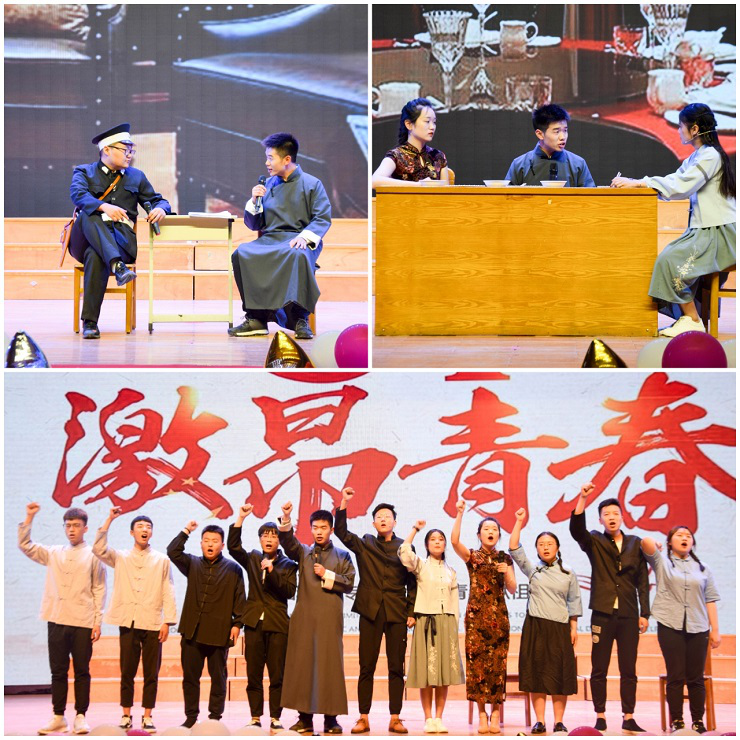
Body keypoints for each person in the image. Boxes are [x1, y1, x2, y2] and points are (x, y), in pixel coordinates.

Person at [611, 103, 736, 337]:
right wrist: (638, 183)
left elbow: (680, 186)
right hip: (704, 230)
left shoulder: (710, 156)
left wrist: (640, 182)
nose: (679, 131)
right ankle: (689, 318)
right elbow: (675, 179)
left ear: (695, 129)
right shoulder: (699, 156)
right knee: (669, 259)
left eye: (681, 126)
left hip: (718, 232)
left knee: (669, 262)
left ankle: (692, 319)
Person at [69, 122, 170, 339]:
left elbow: (158, 200)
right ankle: (117, 266)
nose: (129, 155)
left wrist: (161, 209)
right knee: (88, 212)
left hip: (121, 242)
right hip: (84, 238)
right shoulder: (84, 171)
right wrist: (103, 206)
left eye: (132, 150)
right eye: (125, 150)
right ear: (106, 149)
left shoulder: (136, 176)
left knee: (95, 255)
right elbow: (78, 195)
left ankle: (90, 323)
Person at [229, 132, 331, 340]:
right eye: (266, 157)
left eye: (270, 158)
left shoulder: (312, 184)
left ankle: (300, 319)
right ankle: (256, 318)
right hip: (271, 238)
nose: (266, 163)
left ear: (286, 159)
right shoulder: (267, 185)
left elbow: (322, 217)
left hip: (299, 238)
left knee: (297, 254)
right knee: (242, 253)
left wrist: (304, 237)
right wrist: (254, 200)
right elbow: (254, 224)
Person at [334, 487, 417, 735]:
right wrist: (344, 502)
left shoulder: (405, 547)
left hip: (396, 612)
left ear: (394, 522)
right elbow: (341, 532)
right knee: (366, 666)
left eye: (387, 516)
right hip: (370, 611)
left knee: (396, 667)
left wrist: (411, 611)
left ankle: (395, 717)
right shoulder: (366, 543)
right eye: (379, 517)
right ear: (373, 523)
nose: (383, 519)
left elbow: (413, 582)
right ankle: (363, 717)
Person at [18, 503, 106, 736]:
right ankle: (58, 716)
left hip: (83, 620)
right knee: (58, 671)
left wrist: (97, 621)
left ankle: (80, 716)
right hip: (56, 618)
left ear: (85, 528)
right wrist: (29, 517)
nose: (71, 530)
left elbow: (99, 589)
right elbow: (26, 545)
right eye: (68, 526)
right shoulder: (54, 552)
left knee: (81, 671)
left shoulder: (94, 555)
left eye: (76, 526)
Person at [570, 483, 650, 734]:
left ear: (622, 517)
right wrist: (582, 498)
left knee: (629, 668)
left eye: (615, 513)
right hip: (602, 613)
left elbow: (642, 581)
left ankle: (629, 716)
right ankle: (600, 715)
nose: (611, 517)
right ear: (600, 520)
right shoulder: (595, 540)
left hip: (628, 614)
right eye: (606, 514)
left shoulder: (635, 543)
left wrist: (645, 613)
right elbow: (576, 530)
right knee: (599, 667)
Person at [93, 507, 177, 734]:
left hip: (152, 622)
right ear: (132, 532)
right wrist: (109, 519)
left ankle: (148, 716)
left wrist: (168, 621)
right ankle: (126, 714)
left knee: (151, 672)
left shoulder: (161, 560)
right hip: (128, 621)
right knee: (127, 671)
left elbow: (168, 589)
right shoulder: (121, 557)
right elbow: (98, 549)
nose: (144, 529)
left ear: (152, 533)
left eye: (148, 527)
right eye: (140, 526)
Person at [277, 502, 356, 735]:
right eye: (315, 527)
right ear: (310, 529)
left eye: (323, 527)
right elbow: (287, 542)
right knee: (303, 666)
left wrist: (327, 574)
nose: (319, 532)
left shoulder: (343, 555)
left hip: (329, 618)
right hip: (304, 618)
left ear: (331, 529)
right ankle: (304, 718)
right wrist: (286, 516)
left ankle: (331, 719)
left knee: (329, 666)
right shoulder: (304, 552)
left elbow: (349, 582)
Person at [508, 507, 582, 735]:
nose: (546, 547)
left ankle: (559, 722)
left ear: (557, 548)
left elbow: (574, 600)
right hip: (536, 627)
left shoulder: (568, 572)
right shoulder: (533, 570)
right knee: (536, 674)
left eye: (550, 544)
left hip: (560, 628)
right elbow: (514, 548)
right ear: (537, 549)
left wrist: (573, 627)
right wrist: (518, 521)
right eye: (541, 544)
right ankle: (539, 721)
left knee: (560, 675)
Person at [641, 526, 721, 734]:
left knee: (696, 677)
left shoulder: (703, 568)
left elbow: (710, 599)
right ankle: (677, 720)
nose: (684, 538)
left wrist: (715, 630)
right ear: (670, 542)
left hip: (698, 626)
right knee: (675, 674)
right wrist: (655, 543)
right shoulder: (663, 562)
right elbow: (645, 543)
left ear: (692, 542)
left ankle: (698, 721)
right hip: (670, 625)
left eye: (688, 536)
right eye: (679, 535)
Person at [167, 522, 247, 729]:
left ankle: (214, 717)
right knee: (190, 678)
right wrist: (186, 531)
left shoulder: (233, 569)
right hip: (192, 632)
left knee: (218, 678)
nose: (210, 544)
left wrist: (237, 624)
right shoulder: (192, 563)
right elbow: (173, 551)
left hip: (219, 633)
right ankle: (191, 716)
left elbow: (240, 598)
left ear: (222, 545)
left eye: (215, 541)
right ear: (201, 543)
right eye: (206, 541)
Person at [227, 504, 298, 732]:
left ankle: (276, 716)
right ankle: (255, 716)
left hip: (278, 624)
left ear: (279, 541)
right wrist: (240, 518)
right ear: (259, 540)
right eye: (265, 536)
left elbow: (289, 591)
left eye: (274, 536)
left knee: (277, 674)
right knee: (254, 674)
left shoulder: (289, 565)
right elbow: (233, 547)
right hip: (254, 623)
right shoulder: (253, 558)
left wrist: (272, 571)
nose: (269, 539)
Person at [451, 500, 516, 735]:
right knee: (477, 665)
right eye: (486, 529)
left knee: (498, 666)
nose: (491, 532)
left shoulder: (504, 558)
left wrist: (506, 574)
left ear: (498, 535)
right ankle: (481, 713)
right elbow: (454, 542)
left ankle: (495, 713)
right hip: (476, 618)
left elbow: (512, 588)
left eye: (494, 529)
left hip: (499, 618)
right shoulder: (473, 556)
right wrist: (459, 513)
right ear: (479, 534)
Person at [399, 521, 464, 734]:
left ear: (445, 545)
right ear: (427, 545)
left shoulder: (451, 571)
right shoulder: (421, 565)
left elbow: (455, 602)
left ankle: (439, 717)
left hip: (446, 623)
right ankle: (428, 718)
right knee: (427, 674)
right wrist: (415, 530)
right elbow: (404, 552)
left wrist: (454, 626)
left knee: (443, 674)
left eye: (441, 540)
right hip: (426, 622)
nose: (437, 542)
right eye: (433, 540)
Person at [505, 104, 595, 187]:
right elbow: (506, 197)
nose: (563, 137)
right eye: (557, 131)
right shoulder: (520, 164)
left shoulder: (578, 164)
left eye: (565, 130)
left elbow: (591, 197)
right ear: (540, 134)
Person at [371, 98, 449, 187]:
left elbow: (447, 192)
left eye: (434, 122)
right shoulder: (397, 155)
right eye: (427, 121)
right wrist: (419, 185)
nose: (432, 127)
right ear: (409, 124)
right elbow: (374, 181)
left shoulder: (438, 156)